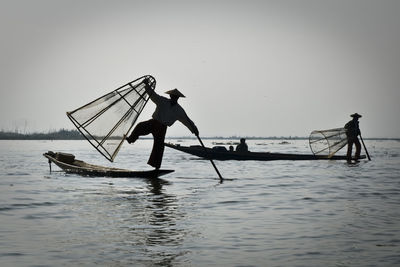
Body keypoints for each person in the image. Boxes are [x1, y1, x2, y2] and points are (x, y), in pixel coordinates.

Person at [126, 78, 199, 169]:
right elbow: (153, 95)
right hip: (153, 122)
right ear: (170, 96)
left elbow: (187, 121)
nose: (174, 98)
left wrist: (194, 129)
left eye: (175, 97)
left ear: (177, 98)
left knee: (159, 147)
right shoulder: (163, 101)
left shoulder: (179, 110)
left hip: (162, 128)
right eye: (172, 96)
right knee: (140, 126)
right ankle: (131, 139)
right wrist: (147, 85)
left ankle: (156, 167)